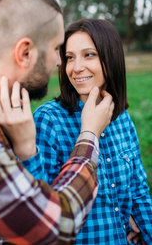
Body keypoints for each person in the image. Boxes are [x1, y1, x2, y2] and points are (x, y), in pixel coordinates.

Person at [0, 0, 114, 245]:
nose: (60, 62)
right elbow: (52, 230)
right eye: (55, 48)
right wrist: (89, 135)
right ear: (25, 52)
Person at [33, 18, 152, 244]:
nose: (76, 67)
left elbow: (138, 192)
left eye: (89, 54)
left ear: (111, 58)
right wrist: (90, 134)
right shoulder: (48, 121)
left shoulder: (122, 118)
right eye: (70, 57)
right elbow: (40, 212)